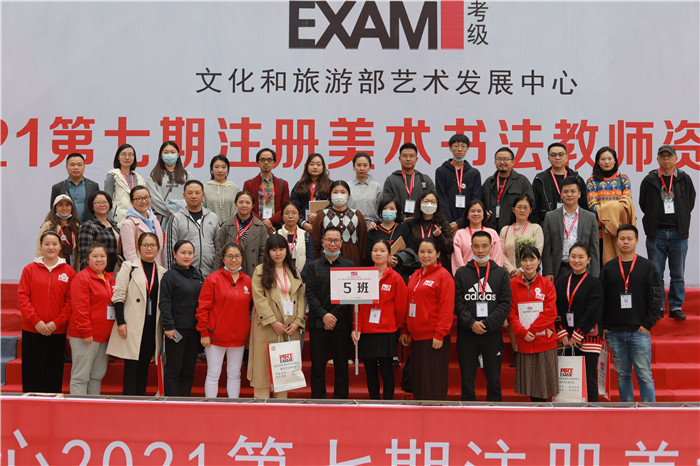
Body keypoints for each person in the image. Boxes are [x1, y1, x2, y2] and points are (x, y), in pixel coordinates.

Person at [601, 225, 663, 402]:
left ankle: (649, 411)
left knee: (644, 374)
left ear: (637, 241)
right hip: (615, 331)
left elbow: (656, 297)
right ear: (617, 241)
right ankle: (626, 410)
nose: (626, 242)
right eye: (622, 238)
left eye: (629, 238)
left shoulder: (648, 267)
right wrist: (604, 326)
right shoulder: (608, 268)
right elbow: (602, 299)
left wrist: (647, 325)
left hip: (639, 331)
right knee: (622, 374)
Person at [639, 144, 696, 320]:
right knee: (656, 273)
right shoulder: (649, 180)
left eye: (669, 156)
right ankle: (657, 307)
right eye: (662, 156)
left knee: (678, 273)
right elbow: (643, 204)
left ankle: (676, 306)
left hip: (679, 233)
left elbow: (690, 202)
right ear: (657, 159)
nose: (666, 159)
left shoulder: (684, 179)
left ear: (676, 158)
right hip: (657, 233)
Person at [105, 233, 166, 396]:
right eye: (145, 245)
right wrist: (121, 322)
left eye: (152, 245)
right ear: (138, 248)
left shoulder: (162, 272)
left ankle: (140, 402)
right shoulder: (129, 267)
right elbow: (118, 295)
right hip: (132, 325)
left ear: (158, 248)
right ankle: (128, 403)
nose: (149, 248)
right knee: (131, 367)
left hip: (152, 326)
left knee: (144, 367)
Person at [454, 231, 511, 401]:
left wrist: (487, 324)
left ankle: (494, 413)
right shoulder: (462, 273)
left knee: (494, 379)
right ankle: (467, 412)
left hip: (491, 333)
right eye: (476, 246)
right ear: (471, 247)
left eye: (484, 246)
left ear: (491, 247)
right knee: (467, 380)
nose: (480, 250)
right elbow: (458, 303)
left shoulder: (500, 273)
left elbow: (505, 303)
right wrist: (471, 323)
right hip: (467, 333)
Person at [248, 234, 306, 399]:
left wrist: (298, 321)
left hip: (289, 327)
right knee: (263, 372)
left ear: (287, 251)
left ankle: (281, 409)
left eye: (281, 249)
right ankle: (261, 409)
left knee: (284, 374)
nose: (278, 253)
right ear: (268, 252)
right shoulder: (260, 271)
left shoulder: (294, 271)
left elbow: (300, 298)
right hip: (267, 327)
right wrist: (273, 321)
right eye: (274, 250)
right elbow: (259, 300)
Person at [18, 231, 76, 393]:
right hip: (32, 329)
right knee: (32, 371)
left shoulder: (69, 272)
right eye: (47, 244)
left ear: (60, 246)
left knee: (53, 372)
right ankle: (31, 403)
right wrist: (36, 322)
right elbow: (23, 297)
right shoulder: (29, 269)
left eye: (54, 244)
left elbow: (71, 302)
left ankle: (51, 405)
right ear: (41, 246)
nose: (51, 247)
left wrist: (56, 323)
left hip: (56, 331)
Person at [400, 238, 455, 401]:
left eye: (430, 252)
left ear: (438, 254)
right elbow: (408, 303)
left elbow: (446, 308)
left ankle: (435, 414)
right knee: (419, 381)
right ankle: (420, 413)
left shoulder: (444, 276)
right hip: (416, 337)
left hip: (433, 337)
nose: (425, 255)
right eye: (422, 252)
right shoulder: (415, 275)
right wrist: (405, 329)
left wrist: (440, 334)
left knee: (433, 382)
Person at [352, 239, 407, 400]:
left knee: (386, 370)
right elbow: (357, 306)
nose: (378, 253)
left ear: (389, 255)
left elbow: (401, 309)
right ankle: (374, 403)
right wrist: (357, 327)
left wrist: (393, 325)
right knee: (370, 372)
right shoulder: (363, 276)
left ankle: (388, 404)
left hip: (387, 332)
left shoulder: (396, 278)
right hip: (367, 332)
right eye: (375, 250)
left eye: (382, 251)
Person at [196, 243, 253, 399]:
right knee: (213, 373)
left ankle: (233, 406)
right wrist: (204, 332)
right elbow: (202, 308)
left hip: (239, 337)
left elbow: (252, 308)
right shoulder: (213, 279)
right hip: (215, 337)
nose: (233, 260)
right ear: (223, 258)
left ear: (242, 258)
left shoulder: (247, 281)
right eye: (230, 256)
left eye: (237, 256)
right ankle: (211, 407)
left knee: (235, 374)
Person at [305, 227, 355, 399]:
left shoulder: (349, 265)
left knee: (341, 367)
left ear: (341, 243)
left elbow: (350, 296)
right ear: (322, 242)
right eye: (329, 240)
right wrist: (324, 315)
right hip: (318, 323)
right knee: (318, 367)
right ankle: (318, 401)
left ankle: (341, 402)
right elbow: (310, 294)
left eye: (336, 240)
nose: (332, 244)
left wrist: (333, 315)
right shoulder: (313, 266)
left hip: (341, 324)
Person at [508, 246, 558, 402]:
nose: (528, 263)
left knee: (543, 388)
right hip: (525, 340)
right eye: (524, 260)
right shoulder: (512, 284)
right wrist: (522, 332)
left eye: (532, 259)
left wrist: (533, 330)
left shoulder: (547, 284)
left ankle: (544, 415)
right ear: (520, 262)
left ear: (539, 261)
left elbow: (550, 312)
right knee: (531, 388)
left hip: (544, 341)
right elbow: (510, 313)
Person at [555, 242, 604, 402]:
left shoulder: (595, 283)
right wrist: (562, 333)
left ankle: (593, 412)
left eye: (581, 257)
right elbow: (555, 309)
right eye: (573, 256)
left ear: (589, 259)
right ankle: (569, 412)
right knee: (568, 379)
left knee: (589, 379)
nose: (576, 260)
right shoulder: (560, 282)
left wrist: (577, 335)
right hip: (565, 339)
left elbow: (593, 312)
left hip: (588, 338)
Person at [68, 243, 116, 395]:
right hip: (86, 336)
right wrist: (86, 331)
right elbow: (80, 307)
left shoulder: (109, 278)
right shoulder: (82, 278)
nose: (99, 259)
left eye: (102, 256)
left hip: (103, 337)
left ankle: (93, 407)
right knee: (80, 376)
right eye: (95, 256)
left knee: (97, 375)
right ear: (87, 260)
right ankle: (78, 408)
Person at [160, 240, 204, 396]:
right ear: (174, 254)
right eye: (183, 253)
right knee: (174, 368)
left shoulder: (197, 274)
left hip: (194, 330)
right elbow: (164, 302)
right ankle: (172, 403)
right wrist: (169, 326)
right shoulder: (169, 276)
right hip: (176, 331)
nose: (187, 256)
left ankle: (185, 402)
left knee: (188, 369)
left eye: (190, 253)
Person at [542, 177, 600, 281]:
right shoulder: (550, 217)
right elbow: (547, 248)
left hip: (583, 270)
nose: (569, 195)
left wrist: (595, 275)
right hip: (559, 269)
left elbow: (594, 249)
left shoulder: (590, 217)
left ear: (579, 194)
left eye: (573, 191)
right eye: (565, 192)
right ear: (561, 194)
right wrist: (548, 271)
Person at [586, 146, 635, 264]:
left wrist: (605, 208)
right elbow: (593, 207)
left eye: (609, 158)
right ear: (598, 162)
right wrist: (614, 208)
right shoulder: (591, 181)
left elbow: (626, 204)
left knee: (621, 267)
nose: (606, 162)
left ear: (615, 161)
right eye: (603, 159)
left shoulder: (623, 179)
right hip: (600, 233)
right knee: (601, 267)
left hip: (620, 232)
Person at [166, 180, 219, 277]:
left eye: (197, 193)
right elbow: (170, 250)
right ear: (184, 195)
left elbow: (218, 247)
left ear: (203, 195)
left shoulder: (213, 217)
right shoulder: (176, 218)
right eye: (190, 193)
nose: (194, 196)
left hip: (210, 274)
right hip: (184, 275)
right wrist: (172, 275)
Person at [312, 180, 367, 266]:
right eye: (335, 192)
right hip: (327, 260)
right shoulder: (322, 215)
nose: (339, 195)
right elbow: (315, 243)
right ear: (330, 195)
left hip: (352, 257)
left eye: (343, 192)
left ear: (348, 196)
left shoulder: (357, 214)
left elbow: (363, 242)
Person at [435, 134, 483, 233]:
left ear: (467, 149)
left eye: (463, 146)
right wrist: (449, 222)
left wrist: (460, 222)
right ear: (450, 148)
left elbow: (475, 200)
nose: (459, 149)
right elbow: (441, 198)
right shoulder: (441, 171)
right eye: (456, 146)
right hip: (446, 222)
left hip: (468, 221)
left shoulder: (474, 173)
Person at [532, 142, 587, 224]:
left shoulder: (577, 179)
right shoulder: (540, 180)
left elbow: (584, 205)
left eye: (561, 154)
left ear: (566, 157)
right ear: (549, 158)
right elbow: (534, 207)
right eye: (553, 155)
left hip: (573, 224)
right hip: (548, 224)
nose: (557, 158)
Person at [482, 147, 535, 233]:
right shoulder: (489, 182)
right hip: (491, 229)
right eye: (499, 159)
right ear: (495, 161)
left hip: (514, 230)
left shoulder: (522, 181)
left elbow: (531, 206)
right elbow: (480, 203)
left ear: (512, 162)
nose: (502, 162)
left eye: (506, 159)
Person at [366, 196, 417, 283]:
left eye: (392, 208)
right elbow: (368, 254)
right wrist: (385, 260)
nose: (388, 211)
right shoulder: (374, 231)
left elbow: (411, 250)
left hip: (401, 274)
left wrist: (397, 259)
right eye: (385, 208)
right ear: (380, 211)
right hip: (379, 275)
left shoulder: (403, 229)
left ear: (397, 211)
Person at [216, 191, 268, 276]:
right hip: (229, 273)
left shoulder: (260, 226)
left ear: (252, 205)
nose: (244, 205)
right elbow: (219, 253)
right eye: (241, 202)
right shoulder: (226, 226)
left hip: (253, 273)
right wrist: (217, 275)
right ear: (235, 204)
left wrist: (260, 275)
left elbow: (264, 254)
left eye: (248, 202)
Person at [382, 142, 436, 221]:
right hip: (398, 223)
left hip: (421, 222)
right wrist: (402, 218)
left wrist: (419, 217)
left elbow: (434, 201)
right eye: (404, 156)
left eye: (411, 156)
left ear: (416, 159)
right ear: (399, 158)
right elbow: (387, 203)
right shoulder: (391, 180)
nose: (408, 159)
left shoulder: (425, 179)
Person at [243, 148, 290, 235]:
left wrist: (271, 221)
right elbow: (247, 208)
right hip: (255, 227)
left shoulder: (283, 184)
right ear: (258, 162)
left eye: (269, 160)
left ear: (274, 162)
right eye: (262, 160)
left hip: (276, 227)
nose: (266, 162)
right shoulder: (249, 184)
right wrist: (263, 223)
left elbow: (285, 208)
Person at [146, 141, 193, 228]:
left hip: (183, 219)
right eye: (166, 152)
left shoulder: (187, 176)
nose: (169, 155)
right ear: (161, 155)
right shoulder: (153, 176)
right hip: (161, 219)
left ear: (178, 155)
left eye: (172, 152)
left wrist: (178, 212)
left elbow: (192, 197)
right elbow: (153, 198)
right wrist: (170, 210)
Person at [406, 190, 454, 274]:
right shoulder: (411, 223)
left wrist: (440, 237)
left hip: (438, 268)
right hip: (415, 267)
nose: (429, 204)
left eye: (433, 202)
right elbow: (406, 246)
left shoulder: (443, 223)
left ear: (437, 205)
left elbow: (449, 249)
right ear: (420, 203)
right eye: (426, 201)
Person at [452, 199, 503, 272]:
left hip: (489, 275)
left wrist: (493, 275)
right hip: (466, 276)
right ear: (467, 215)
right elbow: (457, 260)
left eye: (479, 211)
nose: (476, 214)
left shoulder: (492, 233)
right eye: (472, 211)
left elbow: (497, 258)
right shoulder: (460, 234)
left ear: (484, 214)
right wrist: (463, 275)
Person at [500, 195, 544, 278]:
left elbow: (538, 252)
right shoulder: (505, 230)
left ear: (530, 210)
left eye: (525, 207)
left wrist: (521, 270)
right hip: (509, 275)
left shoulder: (536, 228)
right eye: (519, 207)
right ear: (513, 209)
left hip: (529, 274)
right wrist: (511, 270)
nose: (522, 210)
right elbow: (501, 253)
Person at [120, 185, 165, 267]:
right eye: (139, 198)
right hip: (141, 268)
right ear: (132, 202)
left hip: (157, 267)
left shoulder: (154, 220)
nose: (144, 201)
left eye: (146, 197)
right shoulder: (128, 224)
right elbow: (129, 254)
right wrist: (136, 270)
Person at [77, 191, 121, 273]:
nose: (102, 205)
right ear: (92, 206)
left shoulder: (115, 225)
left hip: (116, 270)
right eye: (98, 202)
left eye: (104, 202)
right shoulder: (88, 226)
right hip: (97, 272)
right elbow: (85, 257)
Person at [50, 152, 100, 223]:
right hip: (66, 226)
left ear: (84, 167)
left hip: (88, 226)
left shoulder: (93, 186)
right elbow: (53, 210)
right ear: (66, 167)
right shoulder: (57, 187)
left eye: (79, 165)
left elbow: (97, 208)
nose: (76, 167)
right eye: (72, 165)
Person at [104, 143, 146, 226]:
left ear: (134, 157)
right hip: (118, 222)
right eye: (123, 154)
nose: (127, 157)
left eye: (130, 155)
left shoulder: (139, 178)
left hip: (138, 221)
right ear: (118, 157)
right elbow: (107, 201)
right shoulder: (113, 176)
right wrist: (111, 223)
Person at [36, 194, 81, 271]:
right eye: (60, 205)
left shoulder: (77, 226)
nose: (64, 208)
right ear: (55, 208)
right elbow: (39, 250)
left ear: (72, 208)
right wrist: (39, 268)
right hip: (53, 267)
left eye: (67, 205)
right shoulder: (47, 226)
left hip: (73, 267)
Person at [290, 152, 332, 228]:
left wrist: (319, 216)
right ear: (307, 166)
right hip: (303, 227)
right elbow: (293, 207)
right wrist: (303, 223)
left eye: (318, 164)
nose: (315, 167)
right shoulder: (299, 186)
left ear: (323, 167)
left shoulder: (331, 185)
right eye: (312, 164)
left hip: (325, 226)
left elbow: (334, 206)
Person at [276, 201, 314, 279]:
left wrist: (301, 277)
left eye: (294, 213)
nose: (290, 216)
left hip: (301, 279)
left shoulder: (305, 236)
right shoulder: (276, 235)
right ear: (282, 216)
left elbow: (310, 259)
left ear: (299, 215)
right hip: (280, 279)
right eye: (287, 213)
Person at [347, 152, 383, 226]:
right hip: (351, 225)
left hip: (373, 225)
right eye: (359, 165)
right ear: (354, 167)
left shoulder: (376, 187)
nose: (362, 168)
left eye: (365, 165)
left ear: (369, 167)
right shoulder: (347, 186)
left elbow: (382, 209)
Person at [204, 154, 240, 226]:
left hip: (231, 228)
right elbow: (202, 209)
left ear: (228, 169)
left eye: (223, 167)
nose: (220, 170)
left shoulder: (234, 188)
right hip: (209, 227)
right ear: (212, 169)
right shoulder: (205, 188)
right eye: (216, 167)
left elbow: (237, 210)